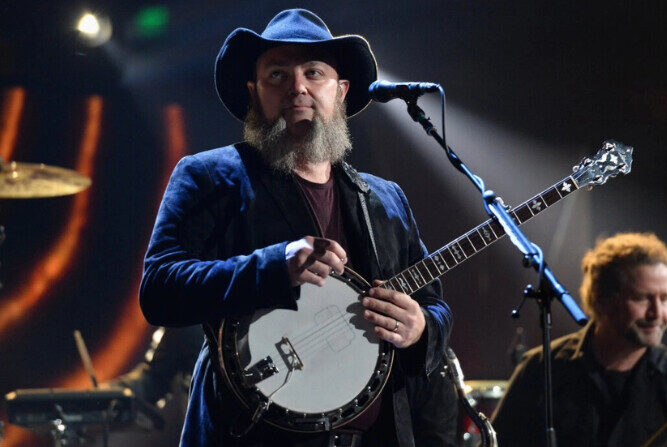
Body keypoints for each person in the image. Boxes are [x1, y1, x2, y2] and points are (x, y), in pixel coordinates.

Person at [138, 9, 451, 447]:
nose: (297, 87)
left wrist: (420, 327)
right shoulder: (210, 176)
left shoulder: (384, 198)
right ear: (254, 92)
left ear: (340, 91)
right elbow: (159, 290)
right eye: (277, 74)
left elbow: (434, 307)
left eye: (314, 72)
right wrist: (271, 266)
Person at [492, 232, 667, 446]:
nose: (657, 313)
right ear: (602, 299)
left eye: (664, 299)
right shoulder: (540, 369)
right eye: (641, 298)